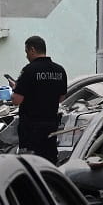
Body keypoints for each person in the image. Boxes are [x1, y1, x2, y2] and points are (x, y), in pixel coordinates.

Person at [11, 35, 69, 163]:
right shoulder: (60, 70)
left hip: (31, 129)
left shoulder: (29, 70)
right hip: (51, 126)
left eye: (26, 52)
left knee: (32, 164)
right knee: (49, 161)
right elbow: (61, 98)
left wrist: (15, 88)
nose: (26, 56)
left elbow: (16, 100)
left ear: (32, 50)